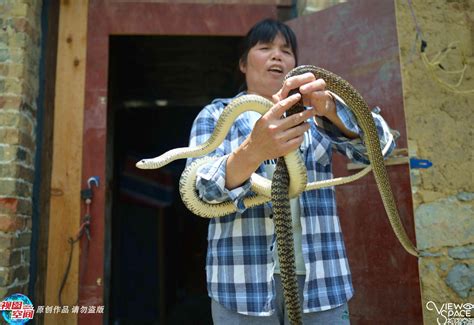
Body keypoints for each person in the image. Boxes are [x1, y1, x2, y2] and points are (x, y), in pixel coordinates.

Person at [187, 18, 395, 324]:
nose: (277, 55)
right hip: (240, 289)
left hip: (323, 285)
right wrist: (254, 150)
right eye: (265, 47)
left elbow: (382, 149)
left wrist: (333, 111)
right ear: (243, 63)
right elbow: (200, 192)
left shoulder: (318, 112)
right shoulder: (216, 116)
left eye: (286, 50)